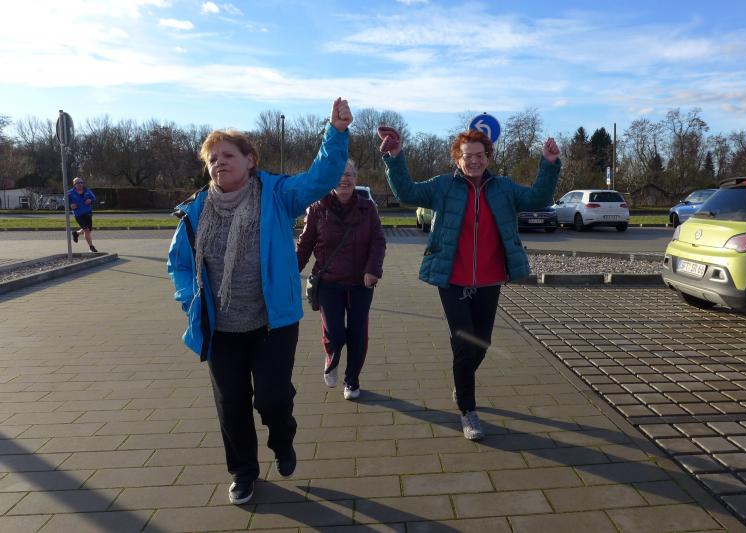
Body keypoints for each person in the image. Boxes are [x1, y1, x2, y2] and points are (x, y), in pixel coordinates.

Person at [166, 98, 352, 505]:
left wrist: (336, 133)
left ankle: (282, 440)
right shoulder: (195, 210)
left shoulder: (277, 194)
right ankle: (243, 472)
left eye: (227, 155)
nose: (218, 163)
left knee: (271, 398)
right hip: (221, 328)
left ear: (250, 160)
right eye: (212, 159)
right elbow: (178, 264)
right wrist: (190, 301)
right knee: (231, 404)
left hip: (273, 323)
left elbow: (321, 177)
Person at [377, 126, 560, 441]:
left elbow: (538, 198)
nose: (474, 161)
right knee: (464, 344)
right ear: (457, 159)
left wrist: (549, 163)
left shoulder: (503, 188)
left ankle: (461, 383)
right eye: (467, 156)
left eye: (479, 155)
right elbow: (406, 192)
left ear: (488, 157)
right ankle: (467, 410)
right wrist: (395, 156)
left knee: (482, 343)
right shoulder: (443, 186)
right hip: (452, 278)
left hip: (489, 279)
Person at [296, 159, 386, 400]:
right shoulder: (317, 208)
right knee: (335, 334)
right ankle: (332, 356)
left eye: (349, 174)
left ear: (356, 178)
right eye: (338, 174)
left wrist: (372, 269)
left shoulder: (368, 208)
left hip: (361, 283)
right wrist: (289, 273)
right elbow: (305, 245)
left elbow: (378, 241)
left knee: (357, 333)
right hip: (329, 282)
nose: (344, 179)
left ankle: (352, 381)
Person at [68, 177, 98, 252]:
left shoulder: (87, 191)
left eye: (81, 182)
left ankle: (76, 233)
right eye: (78, 183)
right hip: (79, 215)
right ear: (74, 184)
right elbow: (64, 201)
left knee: (88, 230)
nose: (80, 184)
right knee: (86, 230)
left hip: (88, 213)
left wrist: (90, 200)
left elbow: (94, 198)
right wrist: (70, 205)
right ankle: (91, 247)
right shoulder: (70, 193)